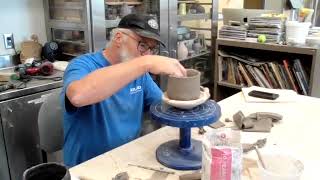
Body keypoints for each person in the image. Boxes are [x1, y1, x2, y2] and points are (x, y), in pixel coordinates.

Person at [61, 14, 186, 167]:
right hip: (88, 168)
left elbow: (163, 107)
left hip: (127, 159)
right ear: (119, 37)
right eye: (143, 45)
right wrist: (145, 63)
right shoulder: (82, 65)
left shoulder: (140, 74)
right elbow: (78, 95)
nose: (147, 54)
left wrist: (190, 102)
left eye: (151, 49)